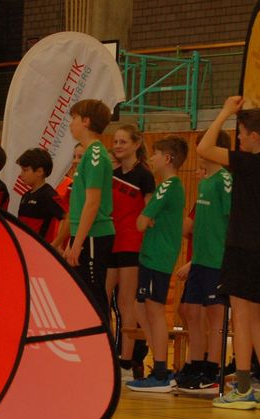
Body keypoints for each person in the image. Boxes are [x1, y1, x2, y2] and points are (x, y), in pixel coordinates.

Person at [198, 97, 260, 411]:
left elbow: (204, 148)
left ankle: (244, 388)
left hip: (242, 250)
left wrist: (224, 112)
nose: (239, 139)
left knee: (242, 320)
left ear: (255, 137)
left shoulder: (250, 164)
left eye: (242, 134)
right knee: (255, 321)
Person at [126, 137, 188, 393]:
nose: (151, 158)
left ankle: (161, 372)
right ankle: (160, 365)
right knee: (140, 307)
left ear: (168, 158)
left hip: (158, 256)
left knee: (154, 310)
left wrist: (147, 218)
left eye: (156, 154)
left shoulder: (168, 186)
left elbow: (141, 222)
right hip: (151, 255)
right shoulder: (170, 187)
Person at [175, 129, 231, 392]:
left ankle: (213, 369)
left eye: (203, 145)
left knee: (216, 315)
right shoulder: (206, 182)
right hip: (200, 259)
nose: (199, 150)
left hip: (218, 261)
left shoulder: (225, 180)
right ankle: (196, 363)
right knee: (190, 310)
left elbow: (232, 222)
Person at [109, 124, 155, 381]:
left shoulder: (144, 175)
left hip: (131, 244)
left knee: (126, 303)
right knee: (103, 298)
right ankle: (106, 353)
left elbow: (149, 212)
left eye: (123, 142)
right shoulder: (112, 174)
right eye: (115, 141)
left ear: (136, 144)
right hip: (111, 242)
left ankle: (127, 361)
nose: (117, 146)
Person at [65, 99, 115, 319]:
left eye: (74, 118)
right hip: (84, 234)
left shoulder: (96, 154)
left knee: (94, 297)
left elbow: (92, 203)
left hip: (94, 235)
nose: (71, 124)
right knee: (83, 296)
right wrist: (72, 240)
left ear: (86, 121)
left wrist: (78, 243)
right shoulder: (88, 154)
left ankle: (103, 340)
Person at [16, 148, 65, 241]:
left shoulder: (48, 194)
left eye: (25, 170)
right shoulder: (25, 195)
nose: (21, 174)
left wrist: (56, 244)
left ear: (39, 172)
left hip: (39, 248)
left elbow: (68, 218)